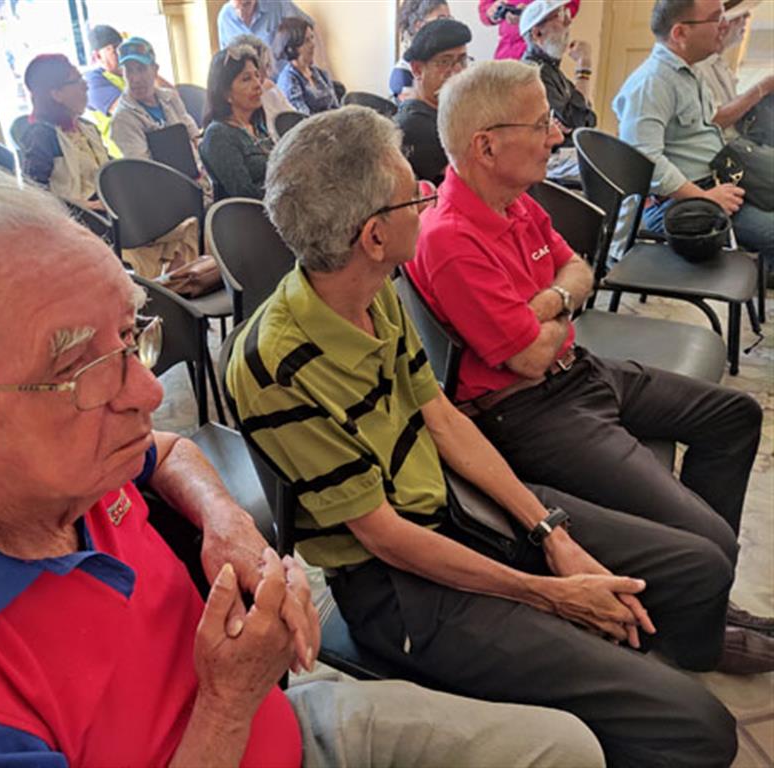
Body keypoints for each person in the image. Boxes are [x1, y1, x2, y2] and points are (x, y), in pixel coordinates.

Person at [0, 166, 607, 768]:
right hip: (228, 727)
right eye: (81, 369)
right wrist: (229, 702)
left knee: (568, 748)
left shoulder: (31, 468)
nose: (144, 393)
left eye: (130, 336)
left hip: (281, 723)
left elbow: (170, 452)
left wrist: (224, 518)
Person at [225, 103, 747, 768]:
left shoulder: (372, 290)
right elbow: (384, 537)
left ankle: (639, 670)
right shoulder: (275, 363)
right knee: (700, 732)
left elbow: (441, 418)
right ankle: (630, 693)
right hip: (398, 589)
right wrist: (551, 594)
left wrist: (550, 533)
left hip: (458, 510)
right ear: (374, 237)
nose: (429, 197)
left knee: (699, 568)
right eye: (414, 193)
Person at [407, 59, 772, 663]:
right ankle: (694, 637)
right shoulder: (450, 237)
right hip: (530, 411)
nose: (556, 136)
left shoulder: (514, 200)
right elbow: (528, 358)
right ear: (486, 146)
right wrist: (561, 305)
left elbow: (580, 269)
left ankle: (698, 599)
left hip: (579, 370)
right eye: (540, 124)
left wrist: (550, 302)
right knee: (709, 538)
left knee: (735, 415)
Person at [613, 0, 774, 273]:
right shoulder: (652, 83)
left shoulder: (689, 72)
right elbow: (644, 160)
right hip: (679, 201)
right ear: (680, 33)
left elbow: (708, 125)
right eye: (715, 19)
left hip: (713, 183)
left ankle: (761, 274)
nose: (723, 26)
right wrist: (705, 198)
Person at [20, 54, 110, 210]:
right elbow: (34, 192)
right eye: (77, 81)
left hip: (107, 204)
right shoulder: (42, 136)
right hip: (76, 216)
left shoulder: (87, 128)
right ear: (56, 94)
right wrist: (87, 206)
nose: (86, 86)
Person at [519, 0, 596, 183]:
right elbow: (577, 122)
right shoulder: (533, 72)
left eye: (566, 13)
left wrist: (573, 121)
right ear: (537, 33)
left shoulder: (553, 71)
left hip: (565, 158)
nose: (568, 21)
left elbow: (587, 121)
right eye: (560, 16)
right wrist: (583, 67)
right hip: (549, 164)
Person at [394, 17, 471, 185]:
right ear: (417, 69)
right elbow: (468, 181)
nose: (458, 70)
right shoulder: (413, 126)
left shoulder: (449, 111)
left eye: (462, 60)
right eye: (445, 62)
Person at [200, 46, 274, 200]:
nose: (257, 84)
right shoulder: (218, 135)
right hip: (250, 213)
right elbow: (244, 194)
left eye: (257, 76)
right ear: (225, 93)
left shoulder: (257, 126)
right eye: (246, 79)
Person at [109, 37, 200, 161]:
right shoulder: (123, 119)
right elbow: (144, 166)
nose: (135, 79)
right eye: (129, 71)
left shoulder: (171, 97)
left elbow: (194, 136)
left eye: (141, 69)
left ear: (155, 70)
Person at [695, 3, 774, 144]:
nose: (747, 16)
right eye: (740, 15)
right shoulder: (698, 67)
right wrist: (762, 88)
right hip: (722, 150)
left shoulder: (718, 64)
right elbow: (713, 122)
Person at [230, 33, 297, 137]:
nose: (266, 74)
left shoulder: (270, 90)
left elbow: (296, 119)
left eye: (268, 66)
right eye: (247, 78)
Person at [218, 0, 324, 64]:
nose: (242, 13)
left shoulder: (277, 4)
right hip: (249, 88)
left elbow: (311, 26)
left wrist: (322, 68)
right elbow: (227, 61)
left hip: (282, 84)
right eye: (236, 7)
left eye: (246, 4)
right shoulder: (225, 18)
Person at [273, 18, 339, 116]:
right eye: (306, 41)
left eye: (312, 38)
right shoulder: (289, 80)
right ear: (292, 48)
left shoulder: (320, 73)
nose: (313, 44)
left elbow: (336, 108)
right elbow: (303, 119)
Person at [390, 0, 452, 101]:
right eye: (441, 19)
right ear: (418, 26)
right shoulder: (403, 76)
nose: (449, 26)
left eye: (449, 19)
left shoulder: (451, 62)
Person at [479, 0, 581, 60]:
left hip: (543, 48)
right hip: (508, 50)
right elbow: (485, 9)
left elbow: (570, 6)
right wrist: (492, 11)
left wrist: (531, 14)